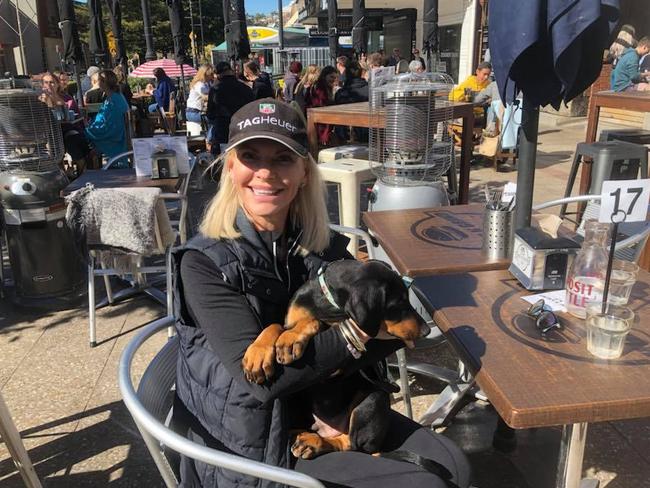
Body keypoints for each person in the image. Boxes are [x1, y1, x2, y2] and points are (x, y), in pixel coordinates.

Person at [171, 98, 472, 488]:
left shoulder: (318, 245)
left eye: (282, 159)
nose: (265, 172)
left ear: (304, 174)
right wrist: (351, 334)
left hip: (328, 405)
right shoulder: (203, 263)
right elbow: (265, 384)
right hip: (255, 440)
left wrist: (339, 341)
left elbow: (389, 331)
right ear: (230, 167)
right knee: (427, 484)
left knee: (455, 465)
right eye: (250, 156)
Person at [205, 61, 254, 155]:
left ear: (218, 75)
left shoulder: (215, 90)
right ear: (231, 71)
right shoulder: (245, 88)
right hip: (242, 129)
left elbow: (210, 114)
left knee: (223, 163)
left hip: (222, 131)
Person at [85, 70, 130, 165]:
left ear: (104, 83)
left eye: (99, 80)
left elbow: (111, 126)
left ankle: (90, 171)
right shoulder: (113, 97)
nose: (97, 83)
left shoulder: (114, 100)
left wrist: (89, 130)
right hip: (110, 132)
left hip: (113, 138)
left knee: (81, 140)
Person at [305, 65, 338, 145]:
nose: (333, 80)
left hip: (318, 117)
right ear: (325, 76)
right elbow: (320, 105)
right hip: (318, 119)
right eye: (331, 77)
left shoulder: (324, 86)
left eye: (335, 77)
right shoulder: (319, 88)